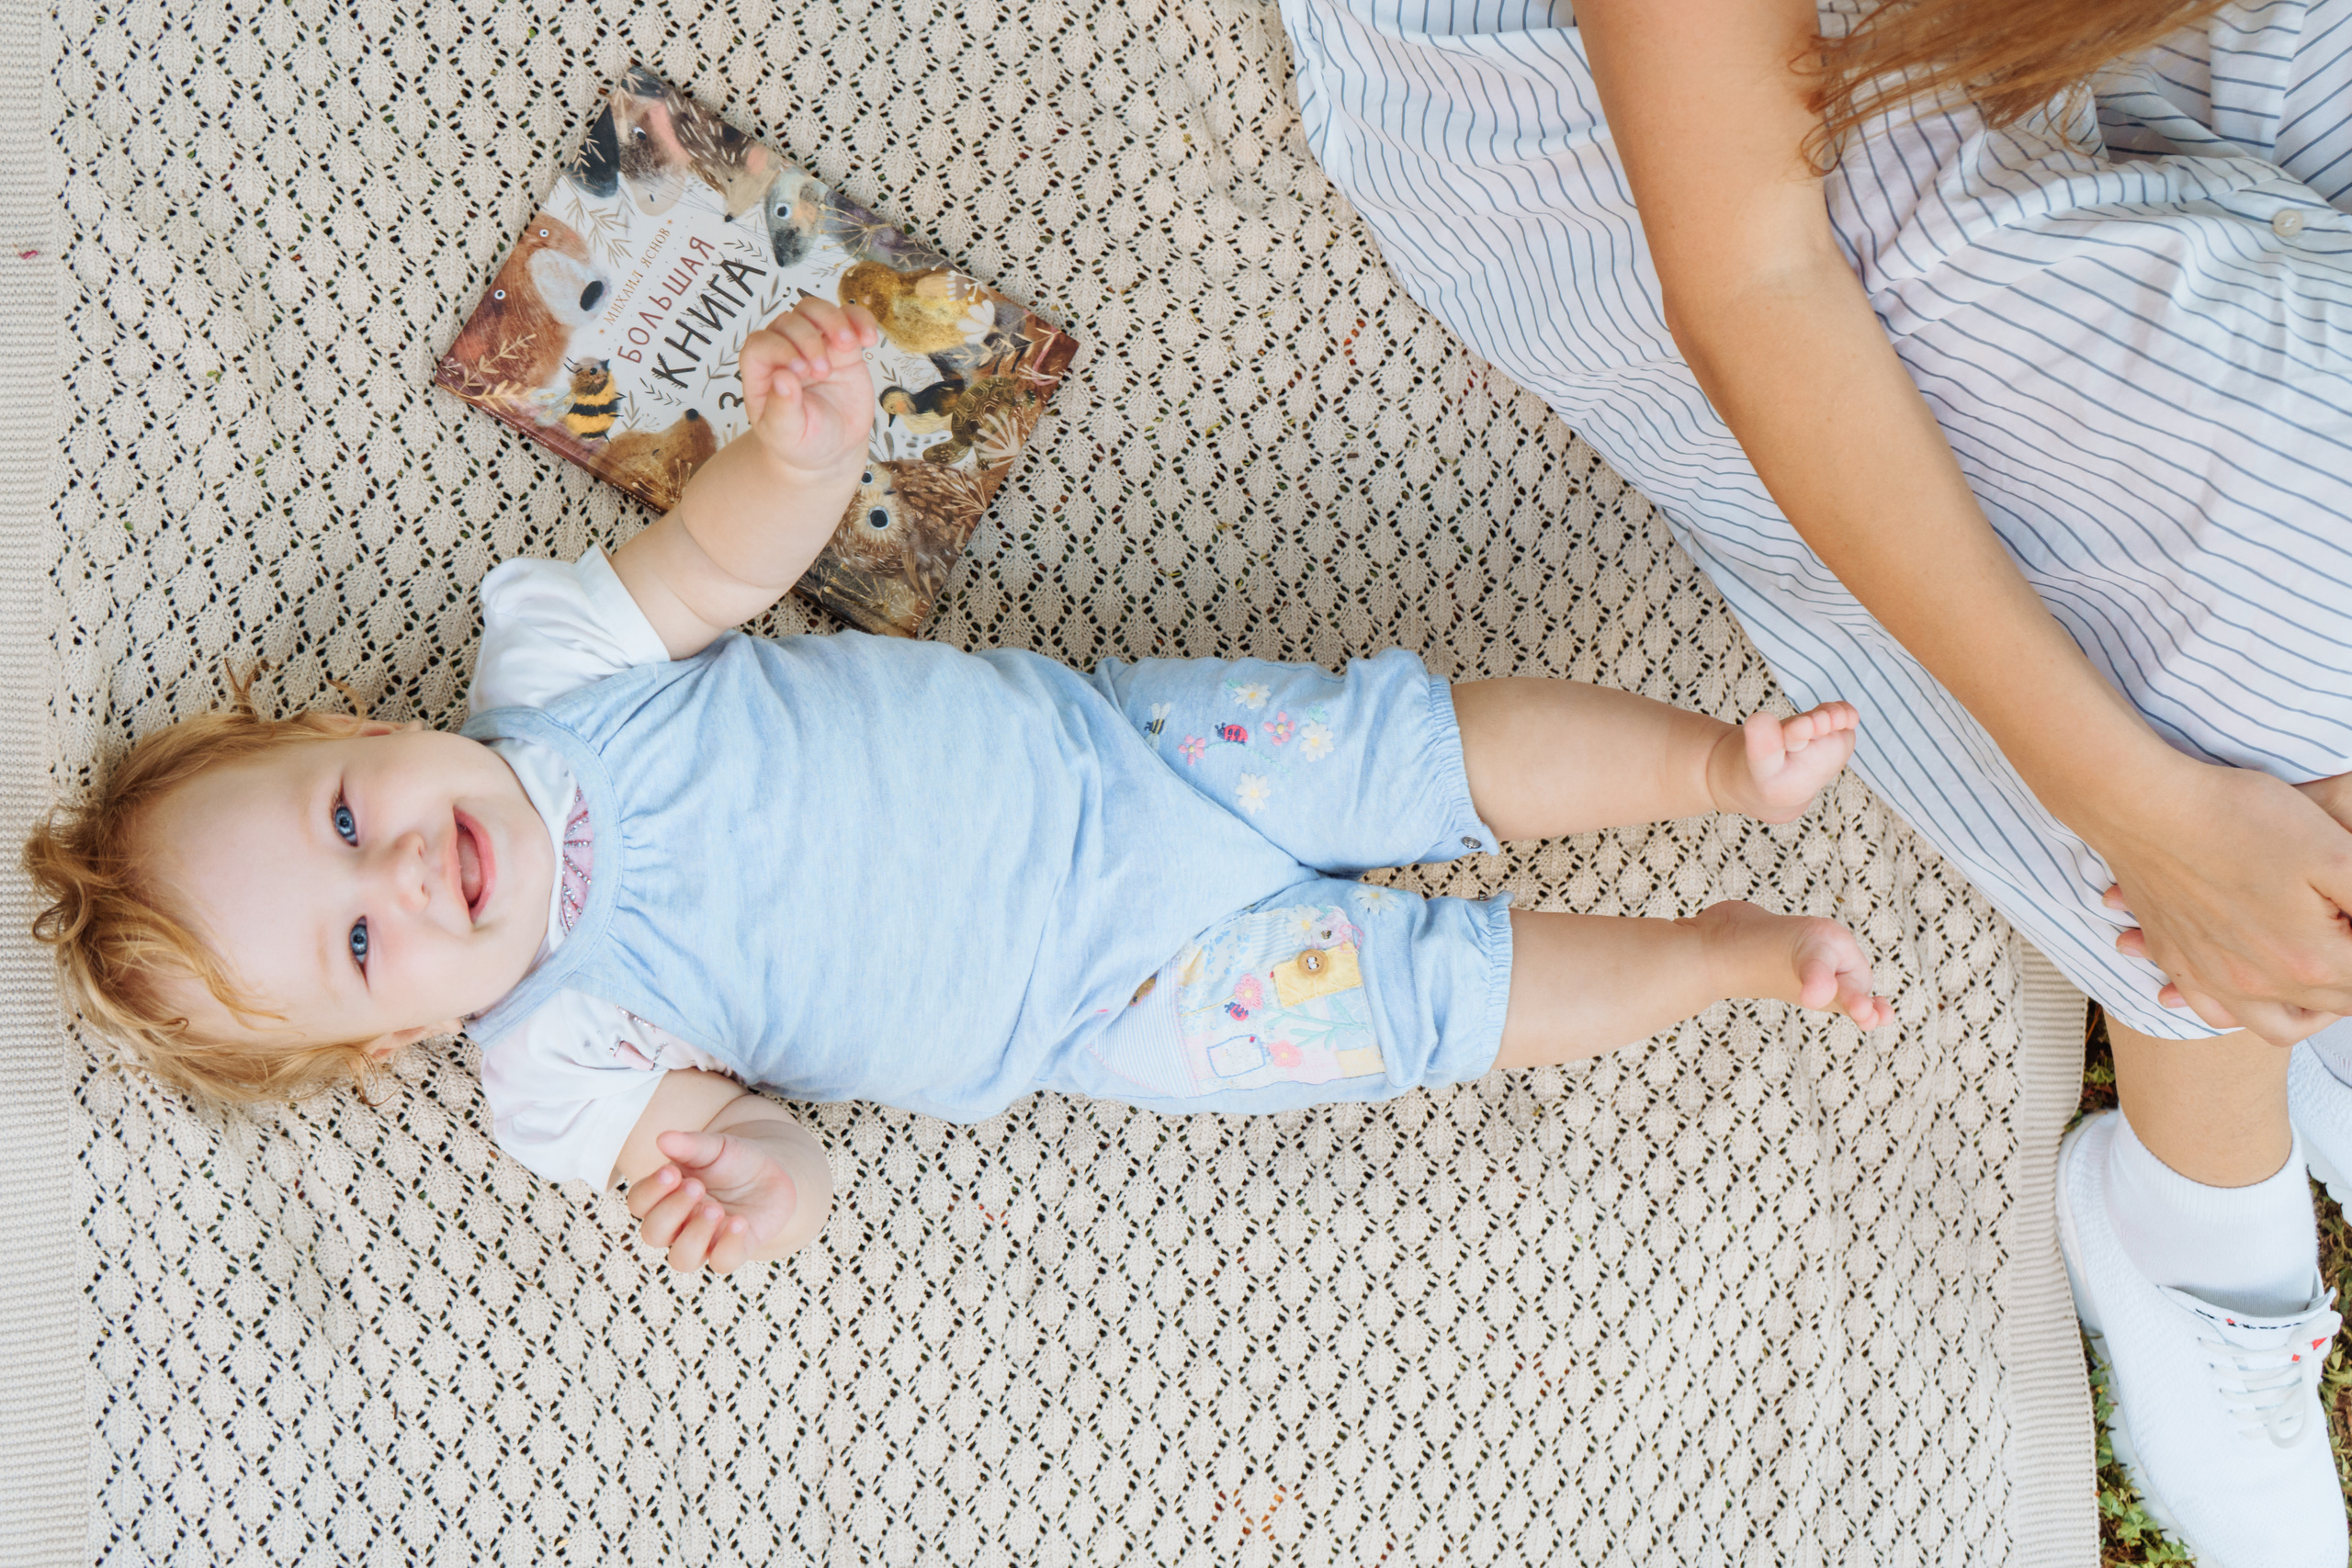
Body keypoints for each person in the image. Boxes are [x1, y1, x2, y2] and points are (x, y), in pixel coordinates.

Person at [23, 294, 1889, 1276]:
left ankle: (1712, 761)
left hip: (1115, 751)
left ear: (364, 725)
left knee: (1405, 740)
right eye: (362, 940)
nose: (414, 871)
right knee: (1427, 1007)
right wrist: (752, 1178)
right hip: (1100, 1004)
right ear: (384, 1042)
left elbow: (722, 561)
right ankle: (1713, 952)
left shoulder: (553, 672)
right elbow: (774, 1145)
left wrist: (797, 450)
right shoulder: (553, 1065)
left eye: (353, 809)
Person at [1269, 0, 2352, 1557]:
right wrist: (2142, 807)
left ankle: (2300, 976)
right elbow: (1757, 277)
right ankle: (2199, 1210)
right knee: (2306, 541)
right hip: (1688, 135)